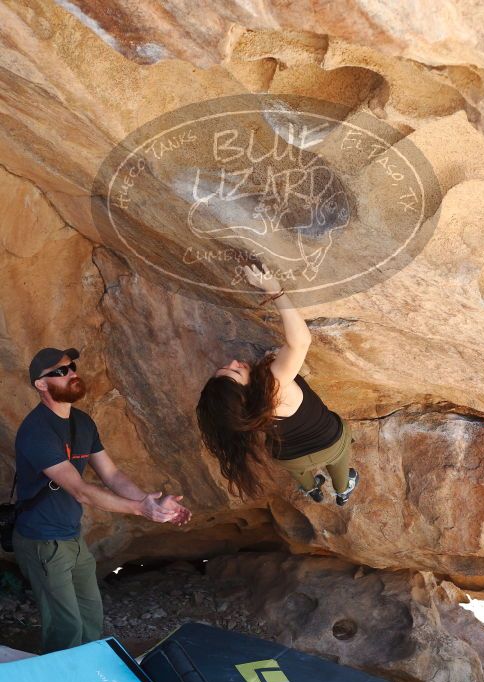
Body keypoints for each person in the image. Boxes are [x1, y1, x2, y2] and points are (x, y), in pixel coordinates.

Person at [13, 346, 191, 654]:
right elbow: (79, 489)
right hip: (42, 541)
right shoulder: (36, 430)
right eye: (60, 372)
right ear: (41, 385)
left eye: (71, 367)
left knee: (91, 618)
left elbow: (112, 474)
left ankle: (88, 681)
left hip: (71, 537)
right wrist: (139, 509)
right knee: (65, 627)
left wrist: (150, 502)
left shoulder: (82, 423)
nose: (71, 373)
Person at [196, 265, 359, 505]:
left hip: (290, 458)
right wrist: (274, 290)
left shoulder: (244, 416)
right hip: (329, 442)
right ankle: (343, 489)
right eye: (233, 372)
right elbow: (301, 341)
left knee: (298, 469)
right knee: (340, 457)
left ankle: (312, 489)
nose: (233, 362)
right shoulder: (274, 385)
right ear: (243, 393)